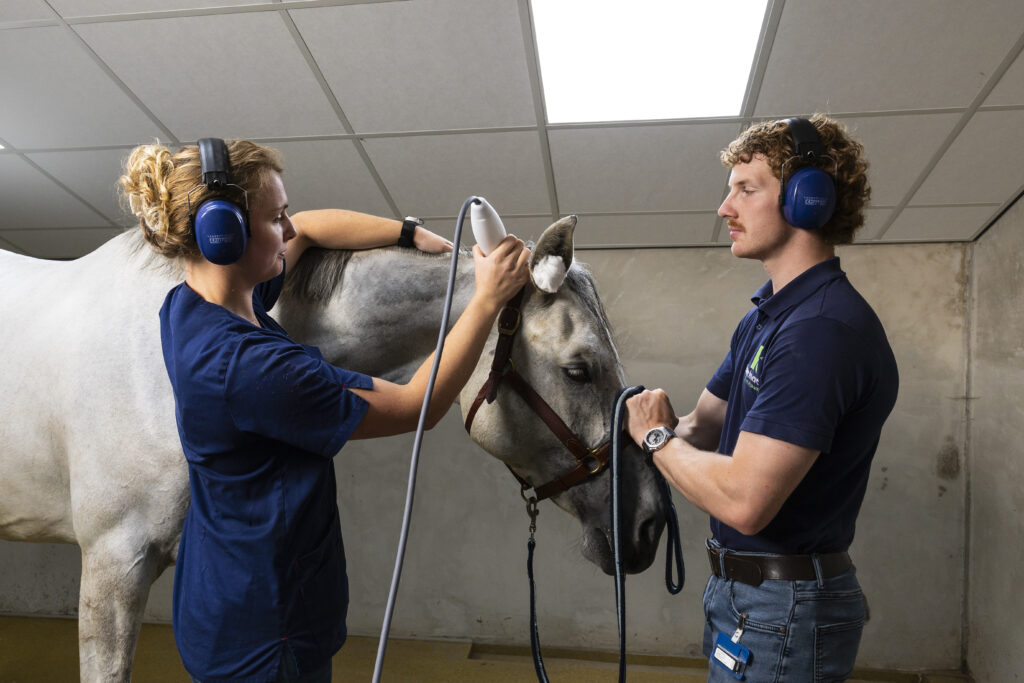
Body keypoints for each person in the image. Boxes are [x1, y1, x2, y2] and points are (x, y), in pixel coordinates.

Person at [118, 139, 530, 683]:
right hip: (267, 637)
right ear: (224, 235)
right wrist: (486, 300)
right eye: (275, 219)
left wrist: (406, 234)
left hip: (221, 594)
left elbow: (310, 229)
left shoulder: (192, 304)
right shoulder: (252, 369)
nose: (288, 229)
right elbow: (418, 405)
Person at [626, 115, 898, 681]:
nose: (725, 208)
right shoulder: (769, 318)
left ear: (808, 200)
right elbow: (698, 428)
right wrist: (622, 429)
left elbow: (745, 502)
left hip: (785, 606)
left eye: (746, 189)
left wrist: (652, 438)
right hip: (747, 595)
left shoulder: (820, 332)